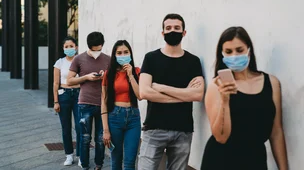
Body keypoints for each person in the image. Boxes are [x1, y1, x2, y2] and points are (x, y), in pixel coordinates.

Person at [201, 26, 288, 170]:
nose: (234, 55)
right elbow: (221, 137)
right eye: (228, 52)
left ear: (249, 50)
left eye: (239, 50)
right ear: (222, 55)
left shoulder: (271, 83)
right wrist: (224, 100)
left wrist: (284, 168)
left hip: (255, 160)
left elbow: (276, 131)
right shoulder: (217, 86)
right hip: (221, 161)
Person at [138, 13, 205, 170]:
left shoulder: (193, 61)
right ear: (162, 33)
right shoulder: (151, 58)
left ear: (184, 32)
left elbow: (197, 94)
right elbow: (144, 92)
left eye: (176, 28)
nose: (172, 31)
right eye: (168, 28)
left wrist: (162, 88)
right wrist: (184, 95)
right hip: (154, 128)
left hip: (183, 130)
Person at [67, 32, 111, 170]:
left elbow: (115, 81)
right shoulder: (79, 59)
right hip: (85, 103)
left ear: (102, 45)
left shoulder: (108, 59)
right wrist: (86, 77)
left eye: (98, 49)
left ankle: (99, 164)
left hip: (103, 103)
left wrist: (106, 76)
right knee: (85, 138)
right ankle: (84, 165)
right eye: (93, 49)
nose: (96, 52)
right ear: (88, 46)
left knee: (100, 138)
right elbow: (69, 80)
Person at [101, 40, 141, 170]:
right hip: (115, 117)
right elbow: (104, 101)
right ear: (114, 55)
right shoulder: (109, 74)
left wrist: (130, 75)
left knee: (130, 161)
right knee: (116, 160)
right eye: (119, 53)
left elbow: (140, 95)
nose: (123, 55)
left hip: (133, 117)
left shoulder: (137, 71)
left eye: (125, 52)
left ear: (130, 53)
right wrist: (106, 129)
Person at [53, 36, 80, 166]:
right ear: (63, 48)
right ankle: (69, 155)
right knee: (66, 127)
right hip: (63, 95)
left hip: (79, 94)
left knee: (81, 127)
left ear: (76, 47)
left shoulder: (81, 61)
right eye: (66, 46)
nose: (69, 49)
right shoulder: (60, 62)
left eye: (71, 46)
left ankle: (81, 155)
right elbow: (56, 83)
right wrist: (56, 101)